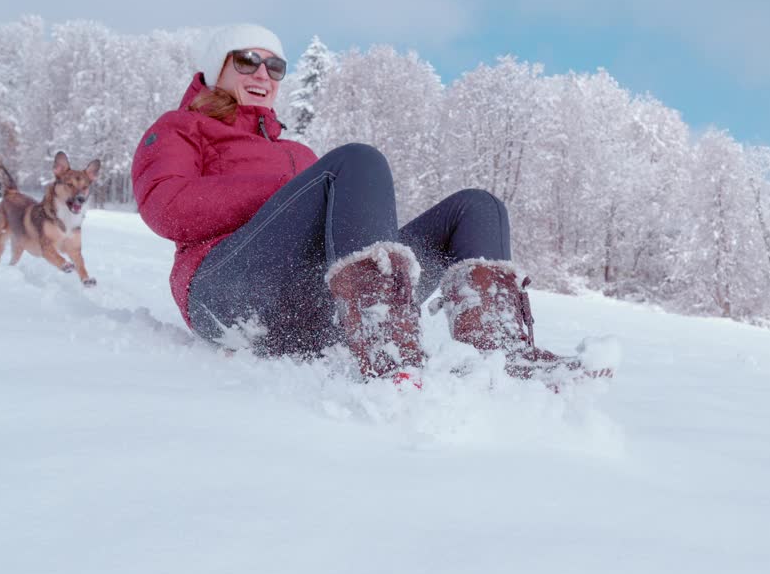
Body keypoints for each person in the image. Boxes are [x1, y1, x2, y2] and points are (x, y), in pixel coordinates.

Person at [132, 23, 591, 382]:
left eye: (275, 67)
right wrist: (275, 194)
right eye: (248, 61)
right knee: (359, 160)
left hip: (313, 312)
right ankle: (386, 344)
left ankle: (501, 354)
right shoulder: (181, 127)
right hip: (223, 292)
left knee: (477, 207)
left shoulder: (299, 154)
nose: (262, 75)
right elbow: (165, 205)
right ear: (217, 68)